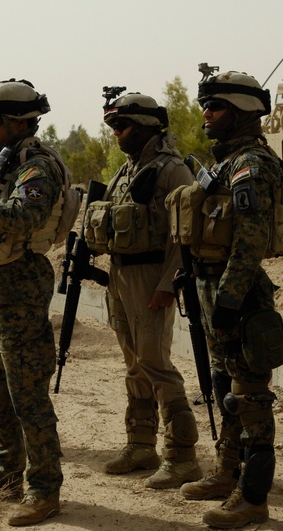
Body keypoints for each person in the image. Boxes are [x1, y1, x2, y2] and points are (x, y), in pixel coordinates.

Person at [166, 69, 283, 528]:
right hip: (210, 286)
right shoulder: (225, 163)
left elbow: (250, 241)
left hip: (236, 293)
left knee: (250, 395)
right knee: (224, 388)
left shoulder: (252, 166)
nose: (205, 115)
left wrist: (231, 301)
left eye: (214, 107)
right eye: (205, 106)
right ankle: (226, 472)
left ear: (242, 114)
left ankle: (254, 497)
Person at [0, 79, 68, 526]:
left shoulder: (36, 166)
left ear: (19, 121)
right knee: (0, 392)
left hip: (19, 289)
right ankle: (7, 470)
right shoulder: (5, 164)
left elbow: (26, 217)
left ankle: (43, 489)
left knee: (28, 397)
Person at [91, 91, 200, 489]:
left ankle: (182, 457)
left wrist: (168, 285)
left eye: (123, 127)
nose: (116, 134)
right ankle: (140, 444)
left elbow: (183, 238)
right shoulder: (127, 171)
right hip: (121, 275)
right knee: (134, 363)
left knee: (156, 362)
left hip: (153, 276)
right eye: (114, 127)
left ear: (147, 128)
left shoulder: (173, 170)